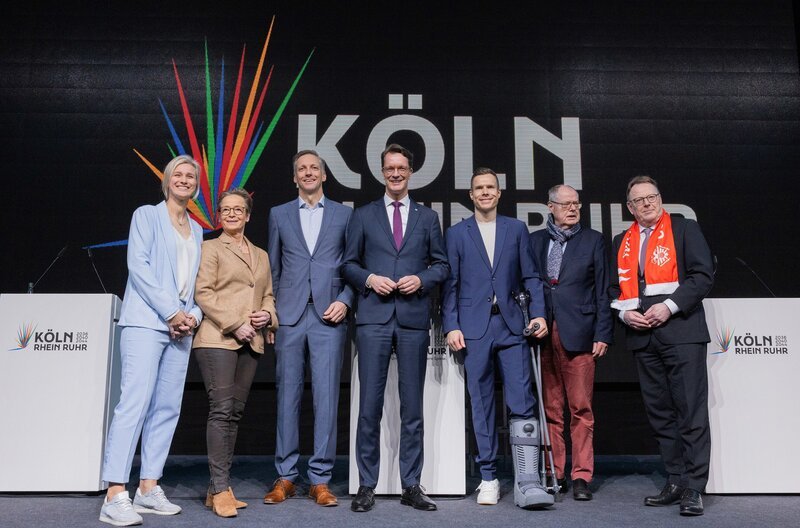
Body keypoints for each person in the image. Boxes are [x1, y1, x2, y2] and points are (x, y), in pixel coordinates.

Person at [342, 143, 449, 512]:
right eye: (390, 168)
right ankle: (366, 485)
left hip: (413, 320)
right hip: (373, 319)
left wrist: (421, 279)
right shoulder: (363, 215)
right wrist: (370, 279)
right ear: (382, 172)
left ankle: (411, 485)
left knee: (412, 408)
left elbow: (442, 266)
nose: (396, 173)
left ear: (410, 171)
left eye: (402, 168)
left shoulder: (428, 217)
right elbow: (348, 264)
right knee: (369, 407)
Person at [99, 155, 204, 526]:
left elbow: (197, 284)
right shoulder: (146, 215)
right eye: (179, 174)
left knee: (167, 408)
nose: (185, 179)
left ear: (196, 186)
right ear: (167, 180)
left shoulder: (197, 229)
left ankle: (147, 487)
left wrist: (192, 316)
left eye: (191, 176)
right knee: (135, 403)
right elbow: (138, 267)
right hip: (146, 322)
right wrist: (171, 312)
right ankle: (114, 493)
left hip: (180, 329)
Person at [442, 167, 552, 508]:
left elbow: (531, 276)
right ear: (471, 195)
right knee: (482, 403)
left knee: (522, 401)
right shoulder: (456, 233)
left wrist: (538, 314)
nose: (485, 192)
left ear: (499, 192)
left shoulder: (515, 229)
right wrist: (451, 325)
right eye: (479, 188)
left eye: (491, 187)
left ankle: (527, 479)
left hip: (512, 325)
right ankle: (488, 477)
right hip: (473, 329)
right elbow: (451, 284)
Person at [609, 175, 713, 516]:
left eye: (651, 197)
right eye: (639, 200)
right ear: (630, 207)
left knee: (690, 412)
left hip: (681, 332)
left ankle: (694, 487)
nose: (647, 203)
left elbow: (702, 275)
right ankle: (676, 479)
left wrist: (669, 306)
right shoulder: (621, 241)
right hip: (643, 338)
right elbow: (613, 289)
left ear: (660, 198)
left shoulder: (684, 229)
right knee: (660, 415)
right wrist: (625, 314)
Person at [263, 150, 354, 507]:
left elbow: (353, 264)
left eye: (314, 167)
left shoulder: (345, 214)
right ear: (294, 177)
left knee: (326, 397)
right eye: (301, 168)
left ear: (324, 175)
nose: (308, 172)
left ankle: (320, 479)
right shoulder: (279, 214)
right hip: (289, 315)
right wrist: (272, 313)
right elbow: (272, 267)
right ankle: (285, 476)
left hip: (329, 315)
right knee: (287, 395)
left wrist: (346, 300)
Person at [192, 188, 278, 517]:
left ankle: (218, 489)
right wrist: (234, 323)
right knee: (221, 409)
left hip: (251, 340)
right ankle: (220, 488)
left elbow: (267, 294)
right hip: (218, 338)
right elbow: (203, 293)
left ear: (248, 215)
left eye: (237, 209)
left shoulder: (261, 254)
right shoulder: (210, 248)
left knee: (235, 413)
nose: (231, 214)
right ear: (218, 216)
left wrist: (268, 315)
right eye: (225, 209)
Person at [529, 184, 613, 501]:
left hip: (580, 332)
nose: (573, 209)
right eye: (565, 204)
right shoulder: (535, 241)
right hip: (543, 335)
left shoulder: (593, 240)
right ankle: (555, 473)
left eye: (576, 203)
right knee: (551, 409)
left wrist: (603, 333)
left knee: (581, 409)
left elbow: (603, 289)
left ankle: (581, 476)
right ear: (550, 207)